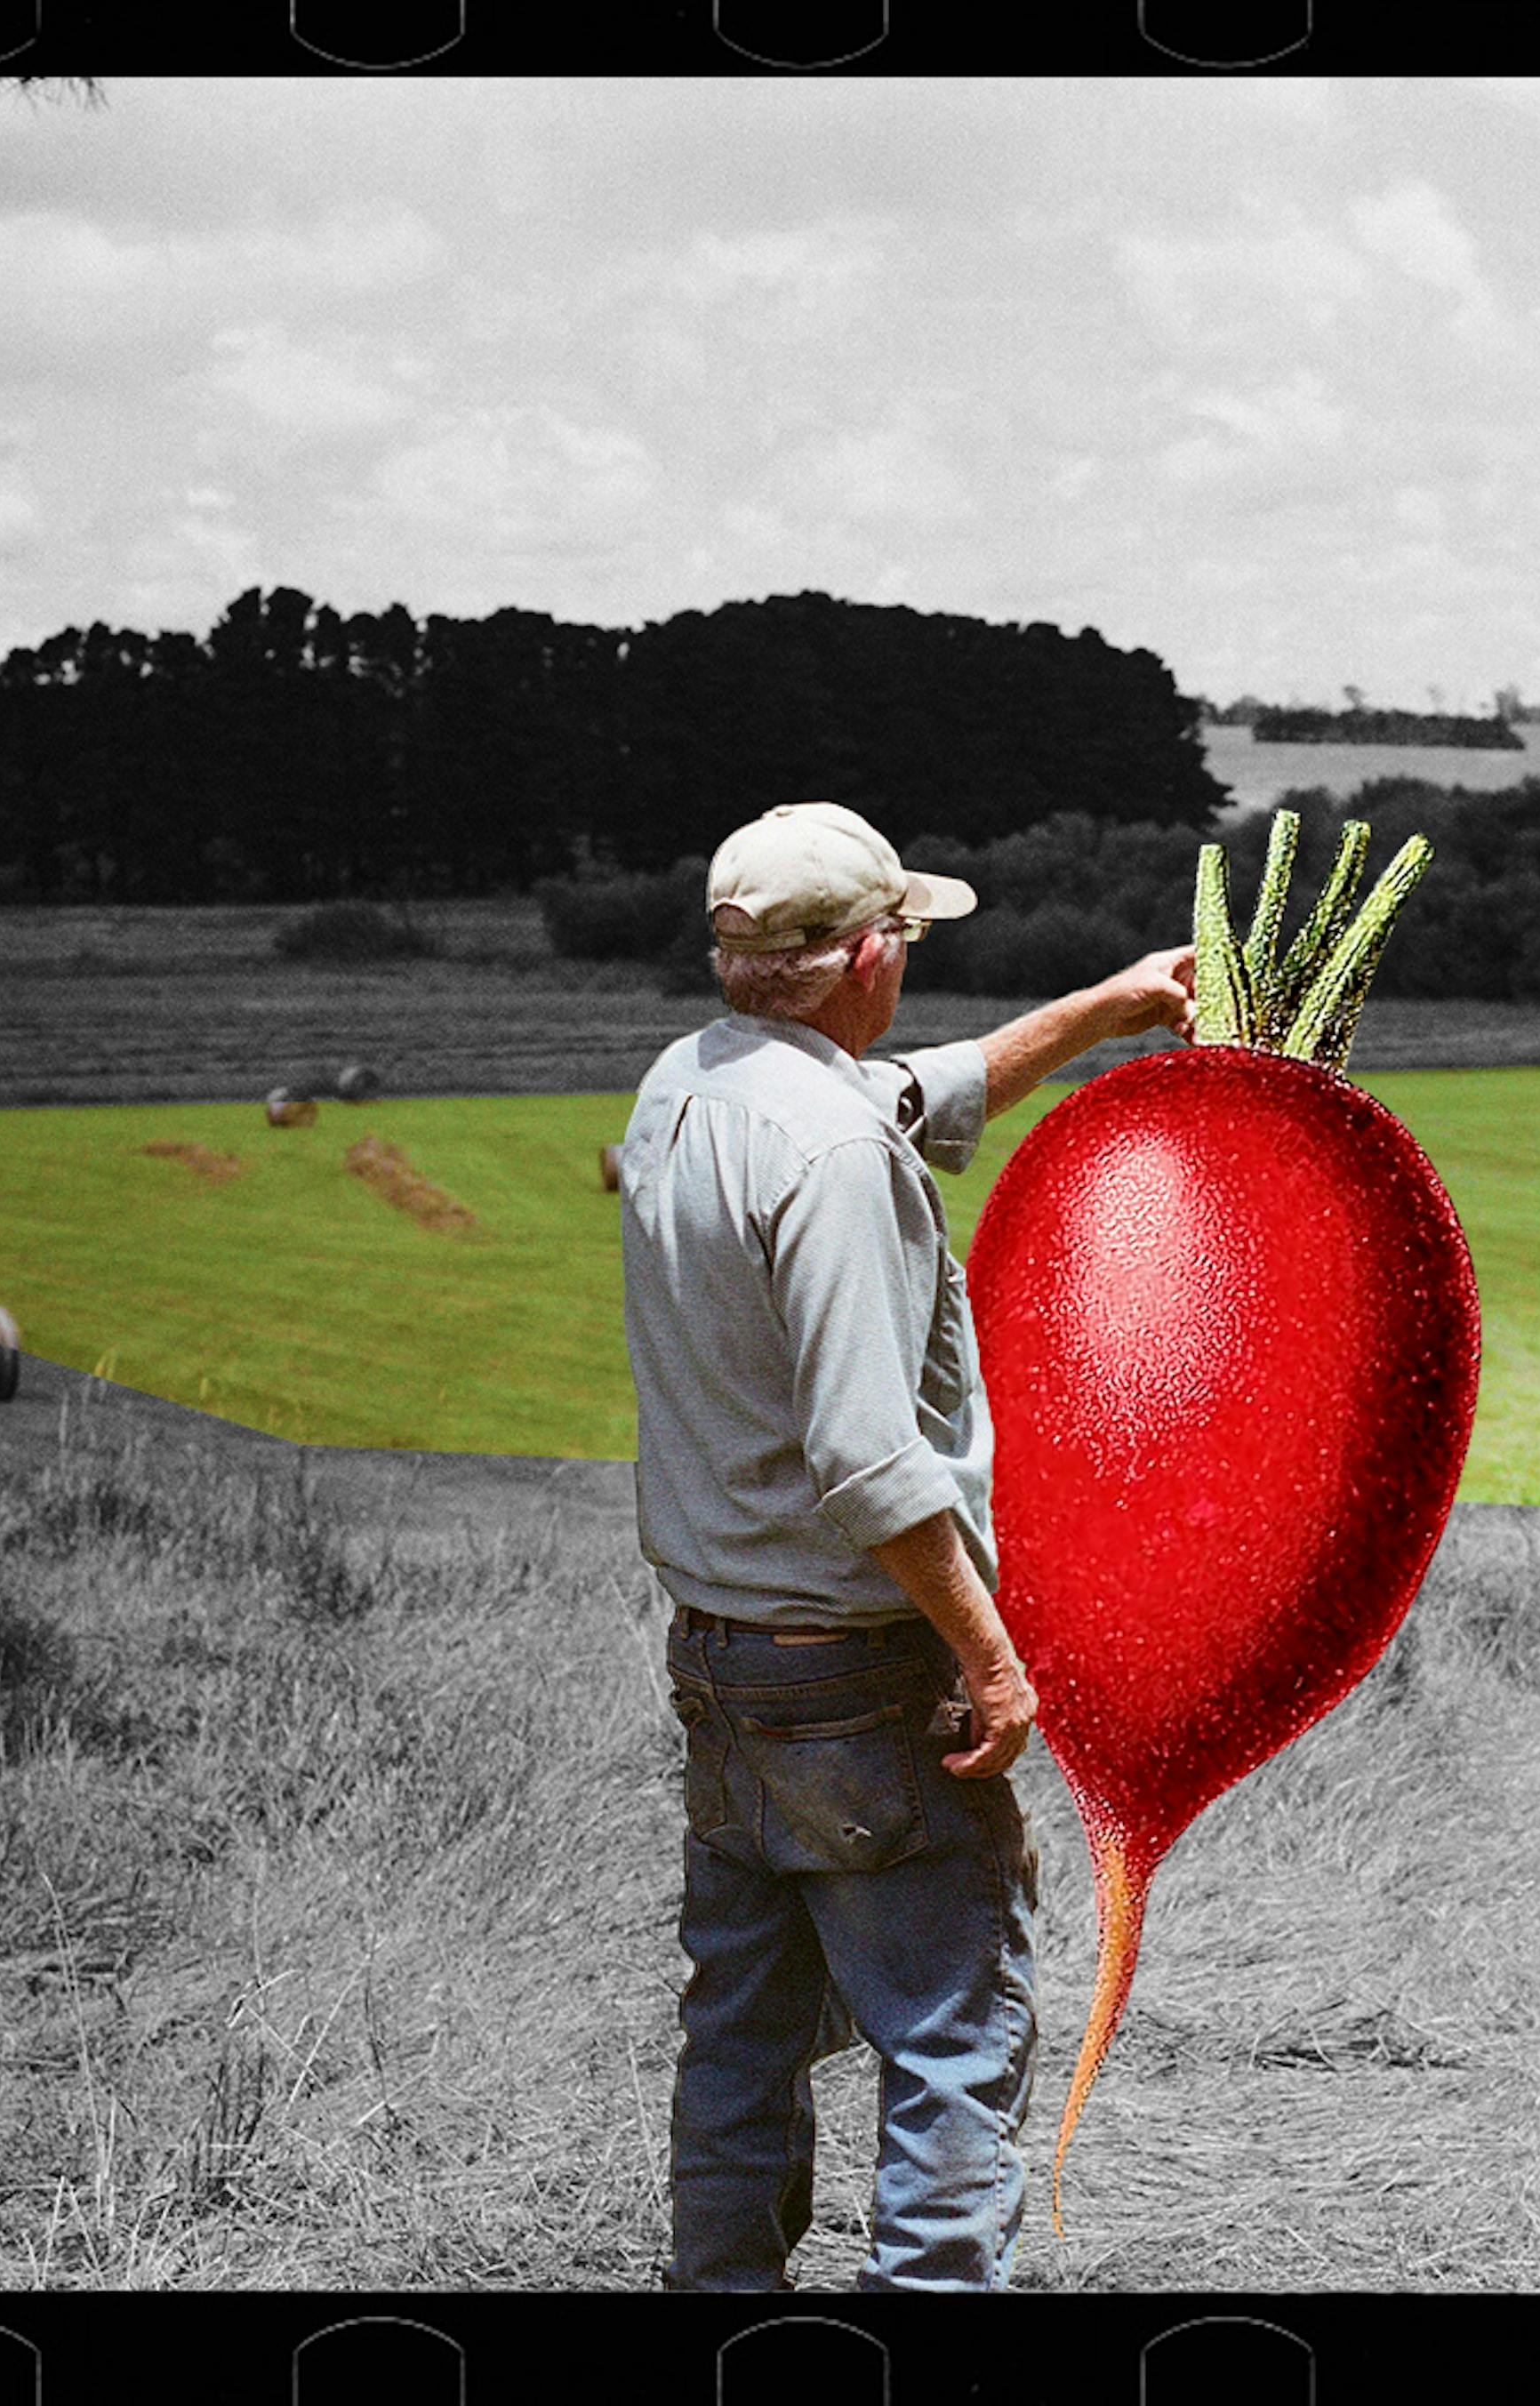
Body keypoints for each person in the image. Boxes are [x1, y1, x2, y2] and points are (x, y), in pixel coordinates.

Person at [619, 799, 1195, 2291]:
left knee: (739, 2042)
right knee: (948, 2046)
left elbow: (906, 1093)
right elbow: (873, 1461)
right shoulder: (832, 1155)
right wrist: (994, 1665)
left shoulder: (685, 1087)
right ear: (869, 951)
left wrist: (1114, 1004)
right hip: (859, 1674)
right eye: (910, 937)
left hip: (723, 1663)